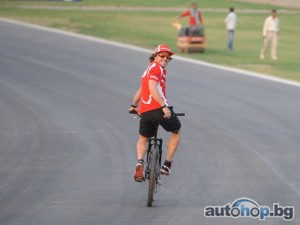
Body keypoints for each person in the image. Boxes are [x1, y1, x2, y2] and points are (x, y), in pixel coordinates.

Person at [129, 44, 182, 182]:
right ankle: (167, 164)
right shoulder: (156, 69)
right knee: (177, 131)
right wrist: (163, 106)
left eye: (168, 57)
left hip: (145, 111)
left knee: (143, 138)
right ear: (155, 56)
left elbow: (141, 90)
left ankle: (140, 162)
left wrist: (134, 105)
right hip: (159, 109)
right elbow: (152, 88)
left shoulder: (147, 71)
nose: (165, 59)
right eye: (162, 56)